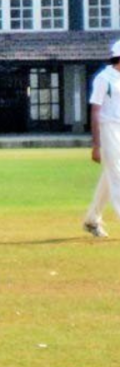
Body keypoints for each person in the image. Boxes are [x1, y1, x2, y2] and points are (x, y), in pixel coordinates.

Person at [84, 40, 120, 238]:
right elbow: (95, 110)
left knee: (110, 177)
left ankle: (92, 219)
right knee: (117, 175)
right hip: (108, 129)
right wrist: (96, 144)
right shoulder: (104, 78)